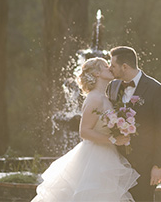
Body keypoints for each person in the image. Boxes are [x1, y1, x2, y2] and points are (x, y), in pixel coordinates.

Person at [32, 57, 139, 202]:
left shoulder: (105, 98)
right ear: (96, 74)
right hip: (95, 158)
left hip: (108, 153)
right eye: (106, 66)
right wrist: (114, 139)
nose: (110, 68)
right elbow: (84, 131)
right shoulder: (94, 98)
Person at [108, 46, 161, 202]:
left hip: (144, 163)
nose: (110, 69)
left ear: (125, 67)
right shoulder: (113, 87)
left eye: (113, 65)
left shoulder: (155, 89)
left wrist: (158, 165)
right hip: (116, 162)